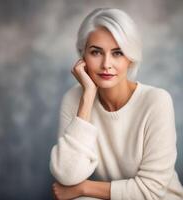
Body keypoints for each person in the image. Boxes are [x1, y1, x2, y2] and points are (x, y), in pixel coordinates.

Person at [50, 8, 183, 200]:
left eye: (118, 53)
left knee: (81, 196)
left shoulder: (157, 101)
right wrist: (87, 96)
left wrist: (84, 188)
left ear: (131, 58)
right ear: (83, 56)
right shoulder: (73, 98)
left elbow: (151, 190)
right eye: (96, 52)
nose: (106, 64)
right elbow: (66, 175)